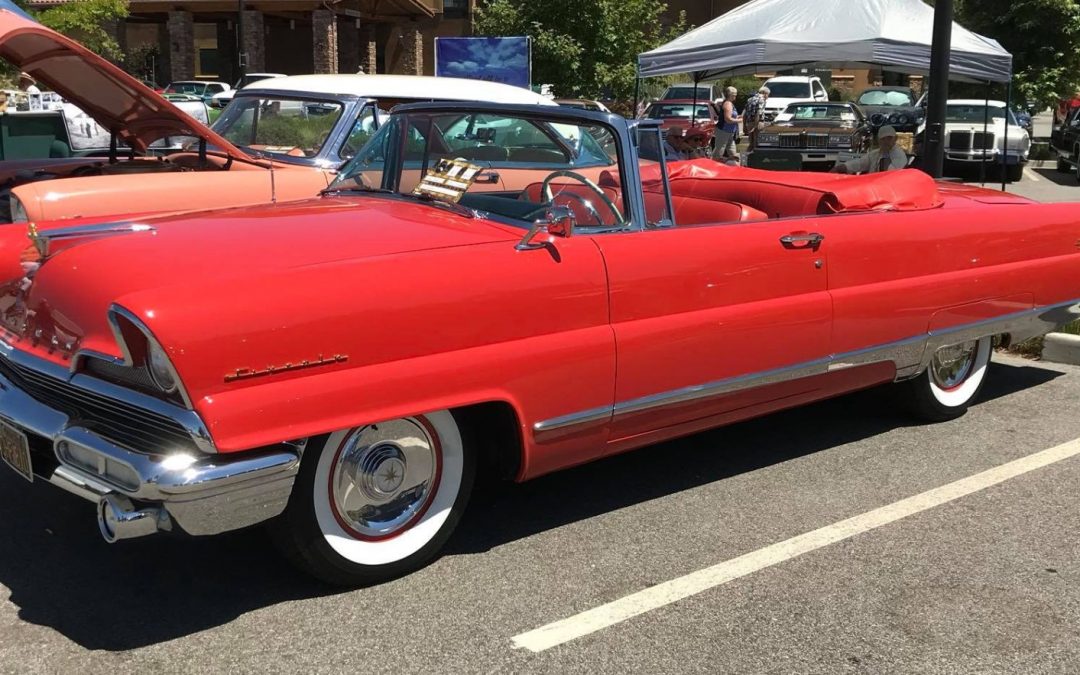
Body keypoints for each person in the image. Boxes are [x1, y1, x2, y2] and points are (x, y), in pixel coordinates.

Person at [831, 125, 907, 174]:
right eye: (883, 139)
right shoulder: (875, 154)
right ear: (878, 140)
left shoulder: (899, 155)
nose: (886, 141)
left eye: (889, 138)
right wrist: (842, 167)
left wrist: (885, 155)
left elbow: (888, 175)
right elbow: (860, 163)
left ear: (895, 138)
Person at [716, 86, 741, 160]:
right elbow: (728, 119)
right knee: (719, 150)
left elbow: (731, 116)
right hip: (724, 131)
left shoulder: (730, 103)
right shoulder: (728, 104)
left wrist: (737, 117)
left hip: (730, 132)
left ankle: (734, 166)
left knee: (732, 150)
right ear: (731, 95)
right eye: (735, 94)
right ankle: (715, 165)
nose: (736, 96)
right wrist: (739, 120)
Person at [743, 85, 770, 151]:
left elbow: (745, 113)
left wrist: (744, 125)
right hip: (757, 123)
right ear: (764, 93)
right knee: (757, 143)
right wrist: (755, 126)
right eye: (768, 95)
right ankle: (755, 158)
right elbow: (758, 113)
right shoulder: (761, 100)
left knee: (751, 143)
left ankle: (747, 157)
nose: (767, 97)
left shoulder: (750, 99)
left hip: (749, 122)